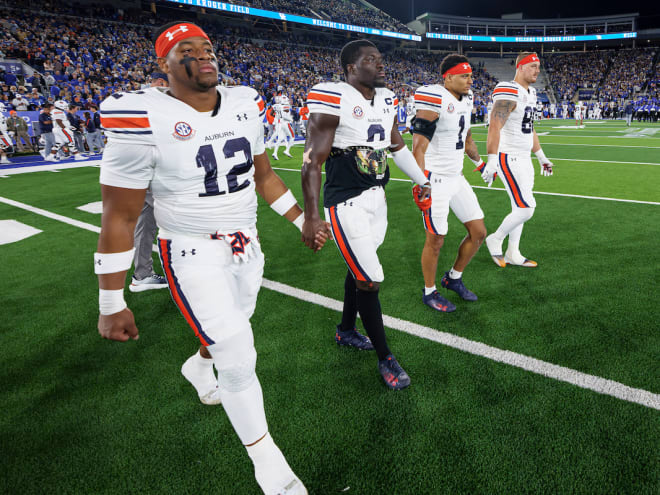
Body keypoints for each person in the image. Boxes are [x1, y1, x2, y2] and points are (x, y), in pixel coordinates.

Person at [94, 21, 311, 495]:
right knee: (238, 355)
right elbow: (119, 217)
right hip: (191, 250)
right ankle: (266, 459)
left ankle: (197, 364)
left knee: (228, 330)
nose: (204, 55)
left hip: (245, 243)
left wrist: (301, 220)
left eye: (208, 47)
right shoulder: (142, 116)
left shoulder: (243, 102)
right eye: (187, 50)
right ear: (164, 64)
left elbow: (265, 174)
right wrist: (111, 303)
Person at [301, 40, 432, 390]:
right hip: (346, 202)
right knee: (370, 278)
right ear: (349, 67)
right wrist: (311, 215)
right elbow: (313, 159)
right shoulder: (334, 96)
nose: (379, 64)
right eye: (370, 60)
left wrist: (423, 181)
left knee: (357, 270)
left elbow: (397, 146)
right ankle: (385, 357)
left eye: (380, 58)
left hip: (377, 197)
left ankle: (345, 330)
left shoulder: (386, 98)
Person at [411, 54, 487, 312]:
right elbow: (418, 148)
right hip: (436, 180)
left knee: (479, 233)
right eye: (464, 76)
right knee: (436, 239)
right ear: (449, 77)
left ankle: (453, 278)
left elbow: (467, 139)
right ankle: (429, 291)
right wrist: (421, 183)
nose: (470, 80)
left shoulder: (468, 99)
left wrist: (480, 164)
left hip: (457, 177)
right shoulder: (434, 98)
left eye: (470, 75)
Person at [480, 52, 554, 268]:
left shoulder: (531, 92)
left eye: (538, 66)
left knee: (518, 208)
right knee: (526, 208)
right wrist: (492, 160)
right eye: (532, 66)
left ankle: (513, 252)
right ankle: (496, 238)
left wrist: (541, 157)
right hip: (508, 157)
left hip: (524, 158)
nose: (537, 70)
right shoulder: (508, 89)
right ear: (520, 67)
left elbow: (530, 129)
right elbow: (495, 124)